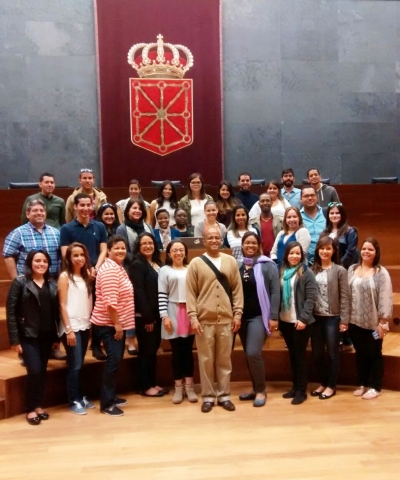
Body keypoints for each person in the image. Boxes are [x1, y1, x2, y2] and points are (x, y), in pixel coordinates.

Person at [186, 227, 244, 413]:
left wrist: (237, 314)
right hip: (204, 321)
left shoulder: (230, 261)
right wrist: (193, 318)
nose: (214, 240)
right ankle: (209, 396)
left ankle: (224, 395)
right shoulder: (195, 263)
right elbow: (190, 293)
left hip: (227, 320)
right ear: (204, 240)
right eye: (210, 237)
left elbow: (237, 290)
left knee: (224, 360)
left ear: (221, 240)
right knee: (206, 360)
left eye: (217, 237)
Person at [6, 250, 59, 425]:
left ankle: (38, 405)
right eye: (37, 260)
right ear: (30, 262)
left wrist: (56, 337)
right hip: (28, 335)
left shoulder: (51, 283)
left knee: (42, 372)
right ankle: (30, 409)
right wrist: (14, 340)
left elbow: (54, 313)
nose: (41, 264)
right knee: (34, 371)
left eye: (44, 261)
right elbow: (11, 311)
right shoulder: (20, 282)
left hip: (46, 335)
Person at [90, 235, 135, 416]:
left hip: (116, 323)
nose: (121, 251)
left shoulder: (116, 267)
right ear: (108, 251)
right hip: (110, 324)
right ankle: (107, 404)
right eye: (116, 248)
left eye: (123, 248)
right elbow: (110, 302)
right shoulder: (109, 270)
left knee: (115, 362)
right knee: (112, 363)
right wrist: (117, 324)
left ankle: (111, 396)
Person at [60, 193, 108, 361]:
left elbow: (103, 250)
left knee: (97, 309)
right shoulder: (67, 228)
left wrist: (95, 268)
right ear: (75, 207)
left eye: (89, 205)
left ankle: (96, 345)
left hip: (96, 273)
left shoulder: (99, 227)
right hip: (77, 275)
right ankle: (72, 345)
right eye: (82, 205)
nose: (86, 208)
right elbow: (66, 254)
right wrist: (84, 270)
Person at [237, 232, 280, 407]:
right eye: (247, 243)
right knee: (249, 355)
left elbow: (275, 291)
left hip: (258, 316)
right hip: (242, 317)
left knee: (253, 352)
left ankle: (261, 390)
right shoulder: (238, 266)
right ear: (242, 245)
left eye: (254, 243)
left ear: (259, 245)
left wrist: (274, 317)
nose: (250, 246)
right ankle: (255, 389)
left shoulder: (267, 265)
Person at [348, 237, 393, 400]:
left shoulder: (381, 273)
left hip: (374, 325)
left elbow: (385, 298)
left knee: (374, 353)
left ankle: (375, 386)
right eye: (364, 249)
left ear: (376, 252)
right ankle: (363, 383)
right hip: (355, 322)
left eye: (370, 249)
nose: (366, 252)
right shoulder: (352, 269)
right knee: (360, 353)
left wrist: (383, 323)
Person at [310, 236, 350, 400]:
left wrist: (344, 320)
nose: (325, 251)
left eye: (328, 248)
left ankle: (331, 386)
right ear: (317, 250)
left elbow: (346, 297)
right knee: (317, 353)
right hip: (316, 318)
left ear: (333, 251)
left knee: (333, 353)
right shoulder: (312, 270)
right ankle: (323, 383)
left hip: (333, 317)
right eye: (322, 248)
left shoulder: (340, 270)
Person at [158, 240, 197, 404]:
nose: (178, 253)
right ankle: (178, 387)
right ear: (169, 254)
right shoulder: (164, 270)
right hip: (173, 311)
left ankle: (190, 387)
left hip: (189, 312)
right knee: (176, 353)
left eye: (181, 250)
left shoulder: (191, 269)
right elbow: (162, 294)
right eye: (175, 250)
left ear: (185, 252)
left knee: (188, 351)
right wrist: (164, 316)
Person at [279, 241, 317, 405]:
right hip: (286, 321)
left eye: (297, 253)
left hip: (301, 322)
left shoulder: (306, 273)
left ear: (302, 255)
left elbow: (311, 298)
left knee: (300, 357)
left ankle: (302, 391)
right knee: (292, 356)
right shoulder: (282, 271)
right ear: (286, 255)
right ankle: (294, 387)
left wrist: (303, 318)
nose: (294, 256)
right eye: (291, 253)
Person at [58, 242, 94, 414]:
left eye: (82, 255)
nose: (79, 258)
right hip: (71, 326)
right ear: (69, 258)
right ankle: (73, 400)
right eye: (75, 255)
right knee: (75, 364)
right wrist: (69, 329)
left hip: (85, 323)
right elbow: (62, 305)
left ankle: (80, 396)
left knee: (80, 363)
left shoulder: (87, 274)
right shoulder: (65, 276)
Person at [128, 233, 166, 397]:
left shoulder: (157, 262)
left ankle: (152, 382)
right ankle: (145, 386)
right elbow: (139, 292)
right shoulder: (137, 264)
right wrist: (148, 317)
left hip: (157, 314)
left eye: (150, 243)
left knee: (153, 350)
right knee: (146, 351)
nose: (148, 246)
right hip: (145, 316)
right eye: (144, 243)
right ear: (138, 246)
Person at [3, 199, 61, 279]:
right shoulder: (17, 233)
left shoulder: (56, 233)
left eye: (42, 210)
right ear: (27, 214)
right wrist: (16, 281)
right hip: (28, 281)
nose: (39, 213)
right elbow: (8, 256)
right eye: (35, 210)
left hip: (52, 281)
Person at [321, 202, 358, 269]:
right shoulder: (324, 233)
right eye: (331, 213)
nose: (334, 215)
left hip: (343, 268)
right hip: (325, 267)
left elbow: (350, 253)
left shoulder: (350, 232)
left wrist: (337, 267)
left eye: (337, 213)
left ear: (342, 215)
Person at [300, 186, 326, 264]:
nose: (310, 198)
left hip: (326, 260)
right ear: (301, 199)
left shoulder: (326, 213)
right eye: (306, 196)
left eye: (312, 195)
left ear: (317, 197)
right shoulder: (297, 217)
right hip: (306, 263)